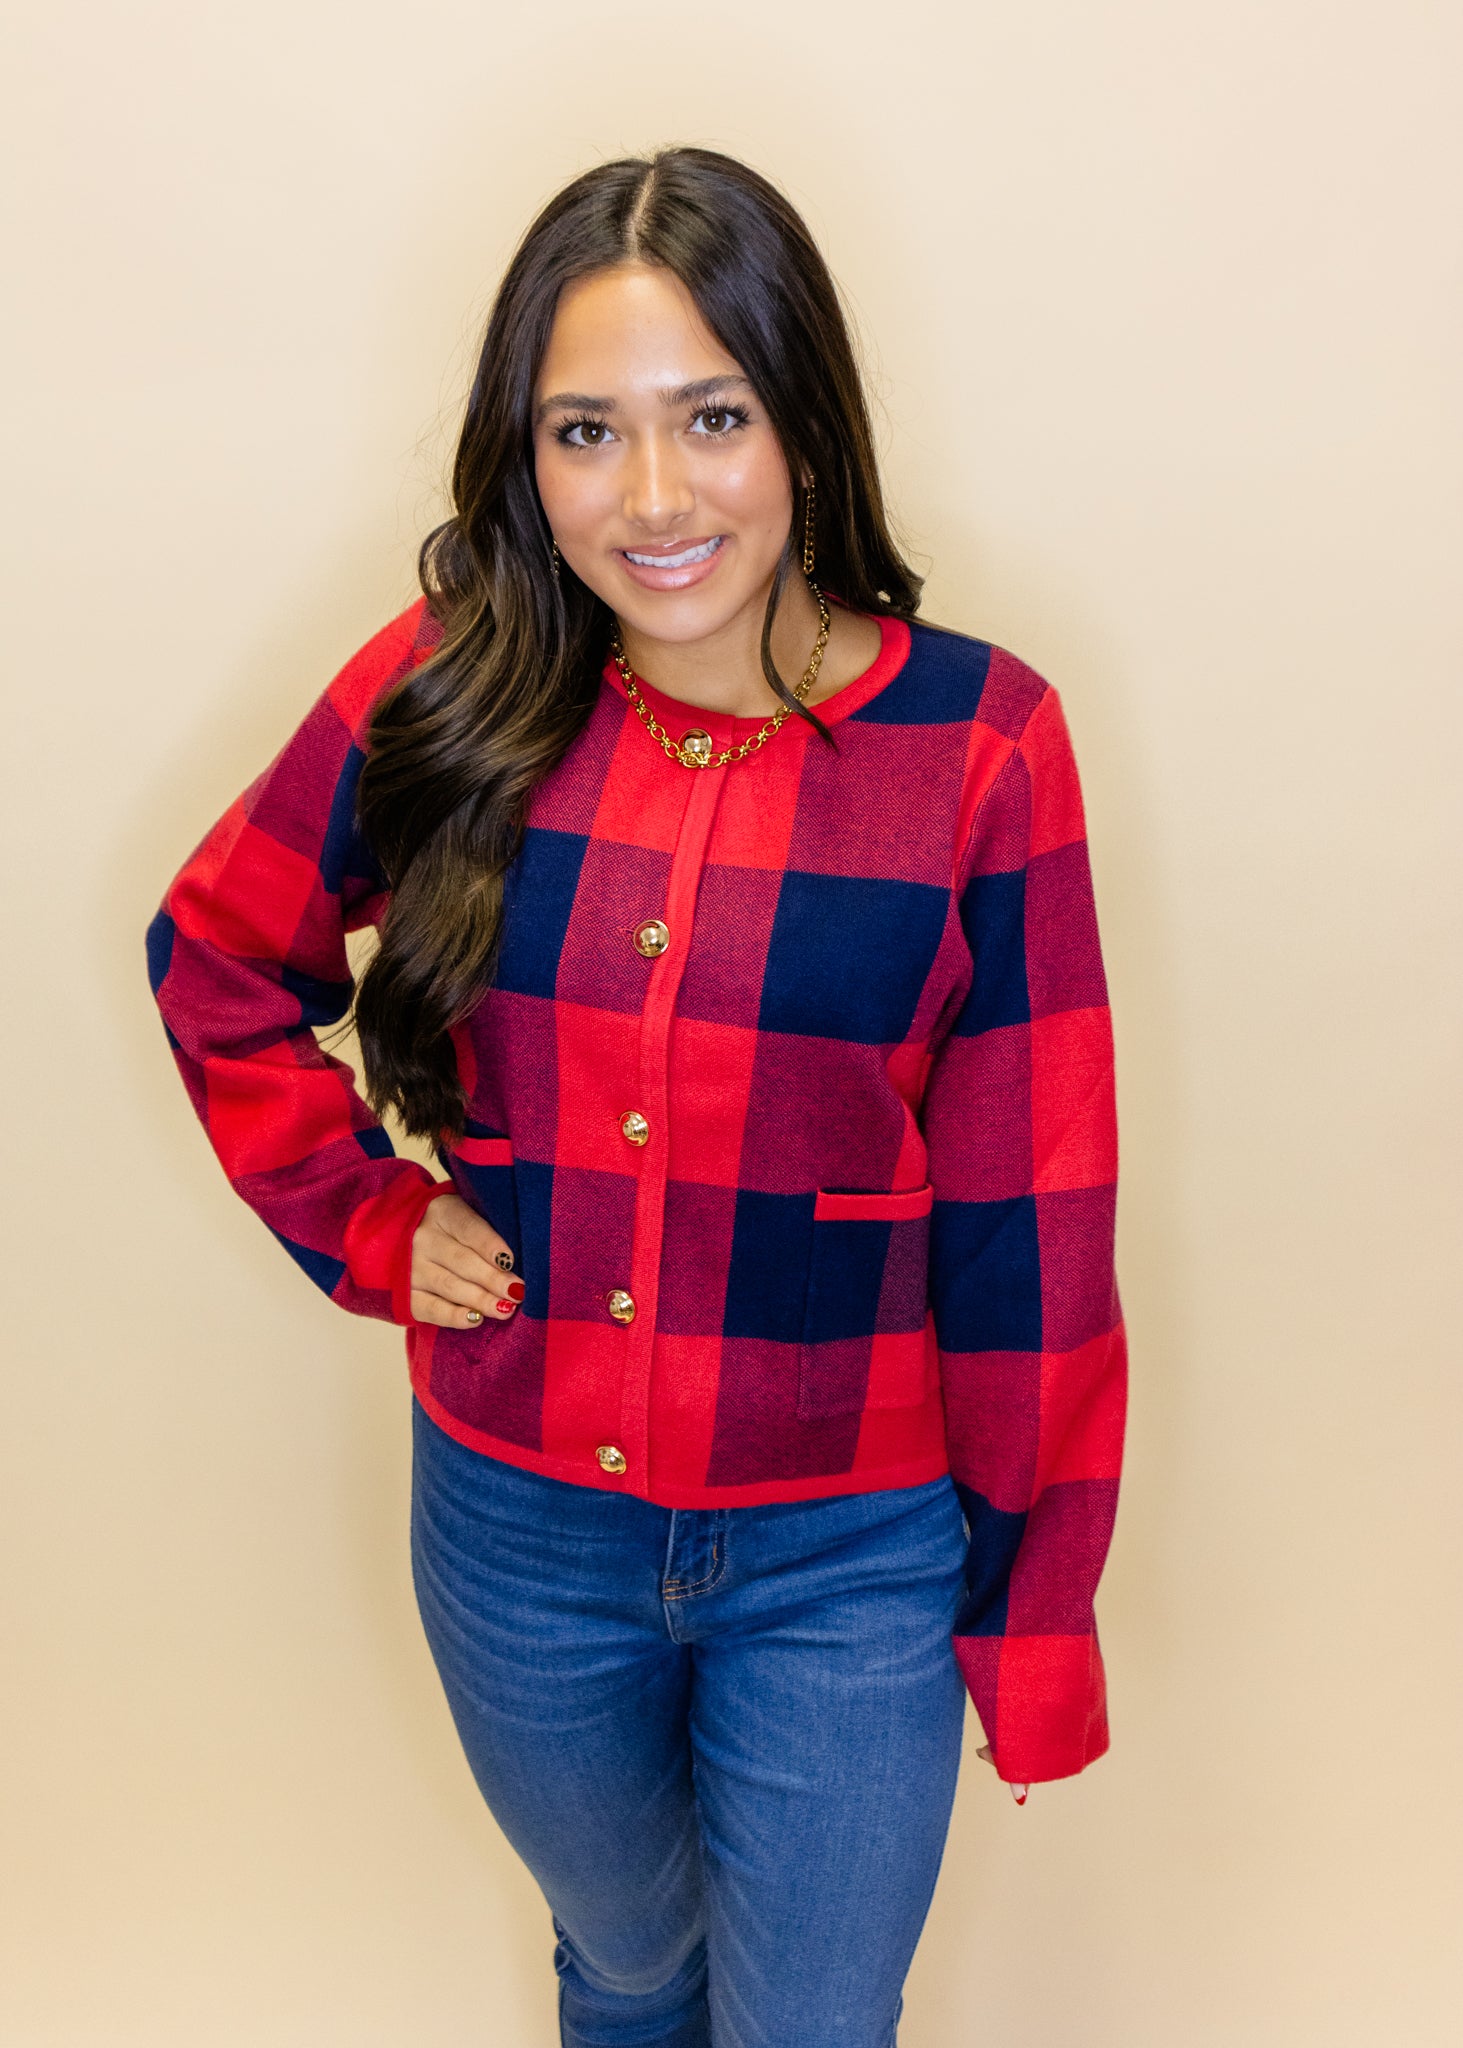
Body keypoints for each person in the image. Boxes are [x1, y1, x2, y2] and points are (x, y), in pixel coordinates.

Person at [147, 147, 1126, 2048]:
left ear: (807, 427)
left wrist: (1033, 1602)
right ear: (525, 454)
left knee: (809, 2024)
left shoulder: (982, 746)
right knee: (628, 1966)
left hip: (850, 1547)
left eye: (714, 418)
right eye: (588, 429)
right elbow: (218, 961)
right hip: (523, 1538)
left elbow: (1033, 1219)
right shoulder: (446, 689)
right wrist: (366, 1215)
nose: (655, 495)